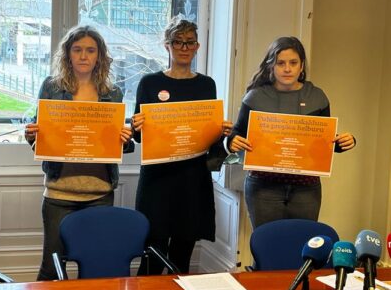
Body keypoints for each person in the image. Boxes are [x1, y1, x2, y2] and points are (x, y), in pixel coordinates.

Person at [24, 25, 133, 281]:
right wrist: (32, 135)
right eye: (77, 50)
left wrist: (124, 139)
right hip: (59, 192)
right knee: (51, 269)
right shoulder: (51, 87)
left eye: (90, 50)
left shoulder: (113, 93)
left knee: (96, 269)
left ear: (100, 56)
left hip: (100, 193)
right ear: (68, 54)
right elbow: (39, 137)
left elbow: (118, 145)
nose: (84, 56)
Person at [131, 17, 233, 274]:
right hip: (157, 180)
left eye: (190, 42)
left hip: (192, 180)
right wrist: (136, 125)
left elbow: (209, 139)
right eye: (178, 42)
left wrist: (220, 132)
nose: (184, 48)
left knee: (181, 259)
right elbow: (139, 137)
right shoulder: (149, 83)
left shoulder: (206, 85)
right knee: (152, 255)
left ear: (197, 46)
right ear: (167, 45)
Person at [227, 36, 356, 229]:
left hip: (306, 188)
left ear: (301, 66)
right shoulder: (255, 97)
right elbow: (237, 133)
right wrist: (232, 141)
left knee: (303, 242)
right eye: (281, 63)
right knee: (267, 243)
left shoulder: (317, 97)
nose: (287, 69)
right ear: (271, 65)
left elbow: (324, 142)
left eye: (293, 63)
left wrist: (343, 142)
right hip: (263, 187)